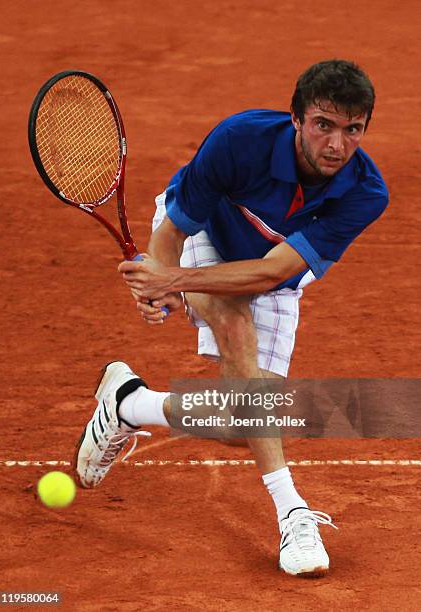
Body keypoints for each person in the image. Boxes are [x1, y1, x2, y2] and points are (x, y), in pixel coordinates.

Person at [74, 59, 388, 577]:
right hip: (202, 238)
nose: (336, 144)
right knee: (235, 322)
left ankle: (132, 404)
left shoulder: (365, 192)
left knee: (250, 420)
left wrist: (170, 285)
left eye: (352, 129)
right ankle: (291, 510)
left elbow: (269, 275)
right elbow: (174, 231)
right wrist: (167, 274)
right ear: (296, 120)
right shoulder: (239, 140)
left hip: (267, 272)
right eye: (323, 125)